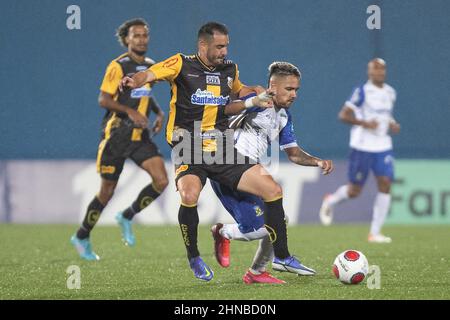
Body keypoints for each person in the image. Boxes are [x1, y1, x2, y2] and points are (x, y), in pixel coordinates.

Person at [122, 21, 313, 282]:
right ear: (203, 45)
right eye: (219, 46)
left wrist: (254, 93)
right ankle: (194, 258)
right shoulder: (181, 64)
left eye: (226, 46)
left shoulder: (229, 70)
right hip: (188, 145)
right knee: (189, 195)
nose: (224, 51)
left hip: (222, 149)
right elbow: (151, 74)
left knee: (273, 190)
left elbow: (239, 90)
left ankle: (282, 258)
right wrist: (134, 80)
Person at [210, 61, 334, 284]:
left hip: (246, 172)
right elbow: (226, 112)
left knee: (276, 221)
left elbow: (294, 154)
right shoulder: (259, 102)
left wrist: (317, 162)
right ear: (273, 87)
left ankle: (254, 269)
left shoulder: (284, 116)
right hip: (227, 162)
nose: (294, 94)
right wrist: (249, 103)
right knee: (274, 201)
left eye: (296, 89)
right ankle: (282, 257)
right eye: (289, 89)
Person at [71, 18, 169, 260]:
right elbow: (103, 99)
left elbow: (143, 93)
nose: (141, 39)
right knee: (107, 191)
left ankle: (127, 215)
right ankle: (82, 235)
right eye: (136, 35)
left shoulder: (149, 65)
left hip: (140, 137)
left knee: (162, 180)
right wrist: (130, 111)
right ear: (127, 39)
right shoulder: (118, 66)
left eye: (145, 35)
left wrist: (158, 112)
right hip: (116, 134)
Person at [319, 58, 400, 243]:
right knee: (355, 191)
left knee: (385, 184)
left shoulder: (390, 92)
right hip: (362, 145)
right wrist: (364, 123)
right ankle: (330, 200)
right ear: (369, 72)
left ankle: (375, 232)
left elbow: (386, 116)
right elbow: (343, 115)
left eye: (382, 69)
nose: (379, 72)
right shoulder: (362, 91)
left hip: (383, 145)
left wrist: (392, 124)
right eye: (375, 69)